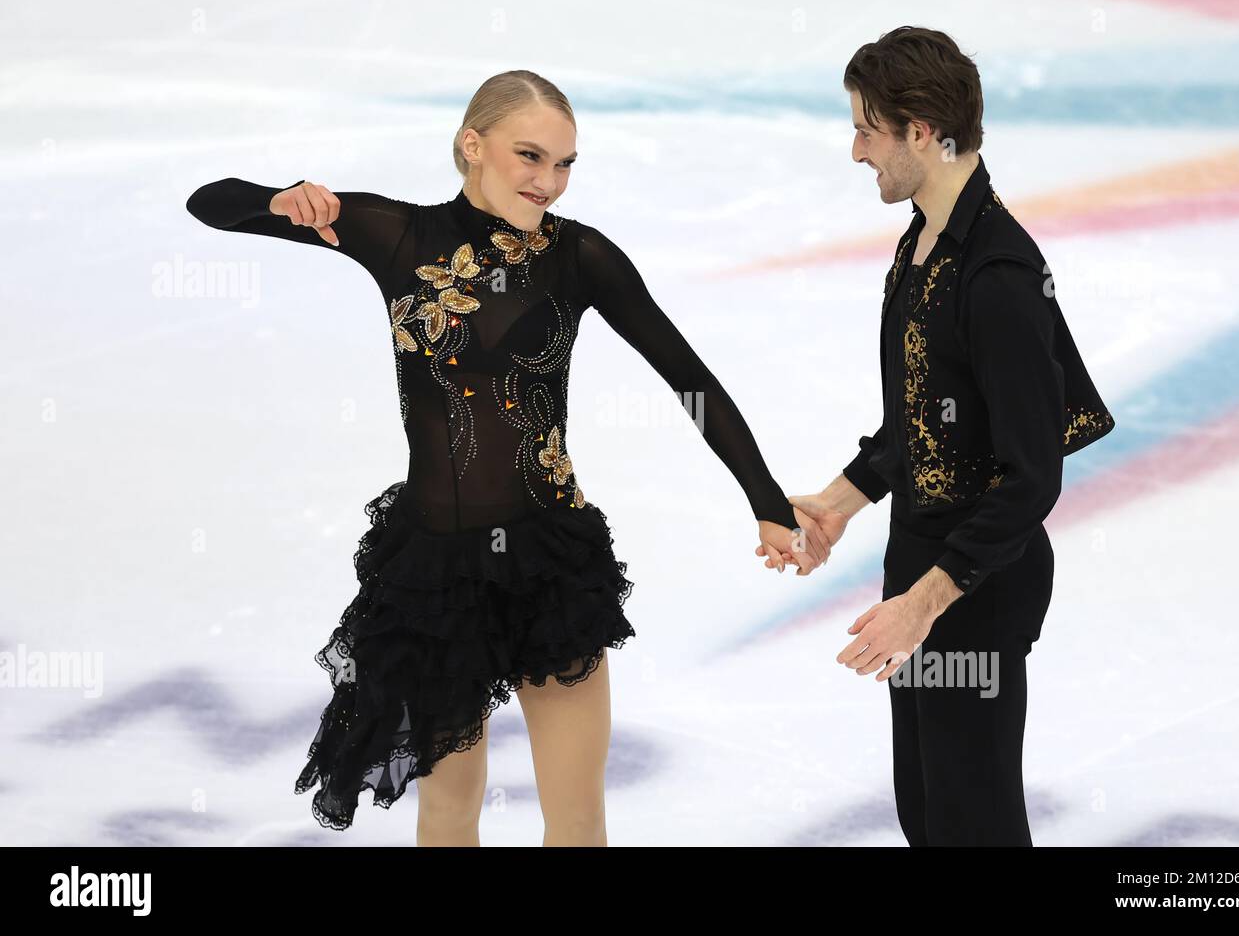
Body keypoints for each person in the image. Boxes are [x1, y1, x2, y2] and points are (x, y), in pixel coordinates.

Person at [185, 70, 831, 844]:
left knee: (578, 813)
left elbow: (690, 379)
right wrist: (279, 195)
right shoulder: (396, 236)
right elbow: (211, 201)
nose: (549, 181)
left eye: (564, 164)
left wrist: (763, 499)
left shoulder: (580, 257)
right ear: (472, 145)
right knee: (450, 807)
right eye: (531, 156)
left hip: (548, 563)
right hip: (433, 572)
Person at [774, 27, 1115, 845]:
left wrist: (925, 603)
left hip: (975, 592)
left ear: (921, 130)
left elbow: (1032, 478)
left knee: (974, 821)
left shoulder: (996, 275)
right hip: (920, 579)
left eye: (867, 128)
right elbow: (922, 419)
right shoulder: (922, 246)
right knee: (928, 816)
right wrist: (837, 502)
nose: (857, 151)